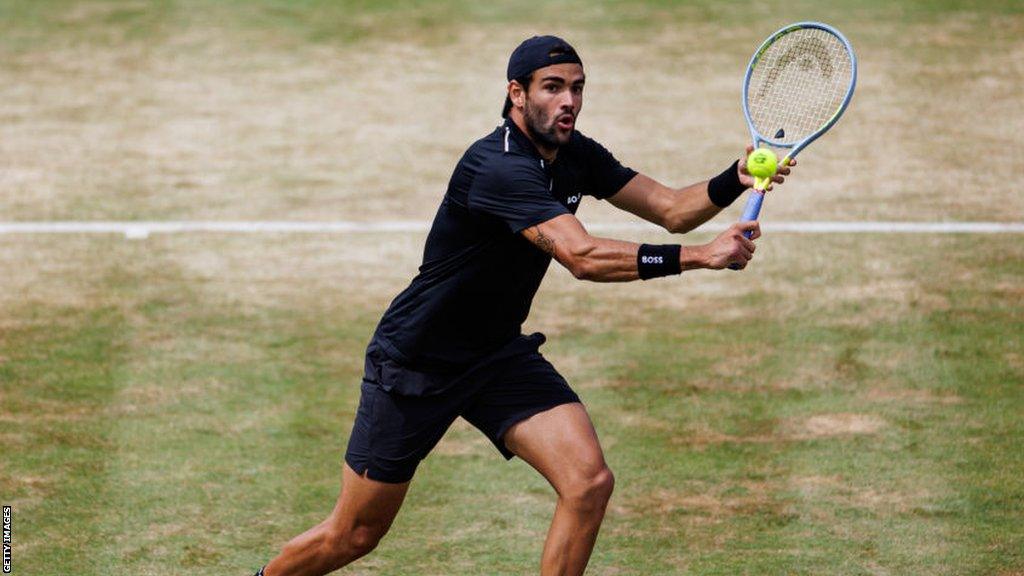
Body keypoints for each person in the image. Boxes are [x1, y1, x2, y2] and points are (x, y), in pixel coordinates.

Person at [253, 35, 792, 576]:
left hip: (494, 356)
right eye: (553, 88)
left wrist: (732, 179)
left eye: (577, 89)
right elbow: (580, 256)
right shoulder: (496, 166)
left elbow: (671, 209)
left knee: (587, 483)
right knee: (354, 535)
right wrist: (700, 257)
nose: (569, 102)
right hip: (417, 362)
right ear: (517, 93)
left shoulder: (576, 153)